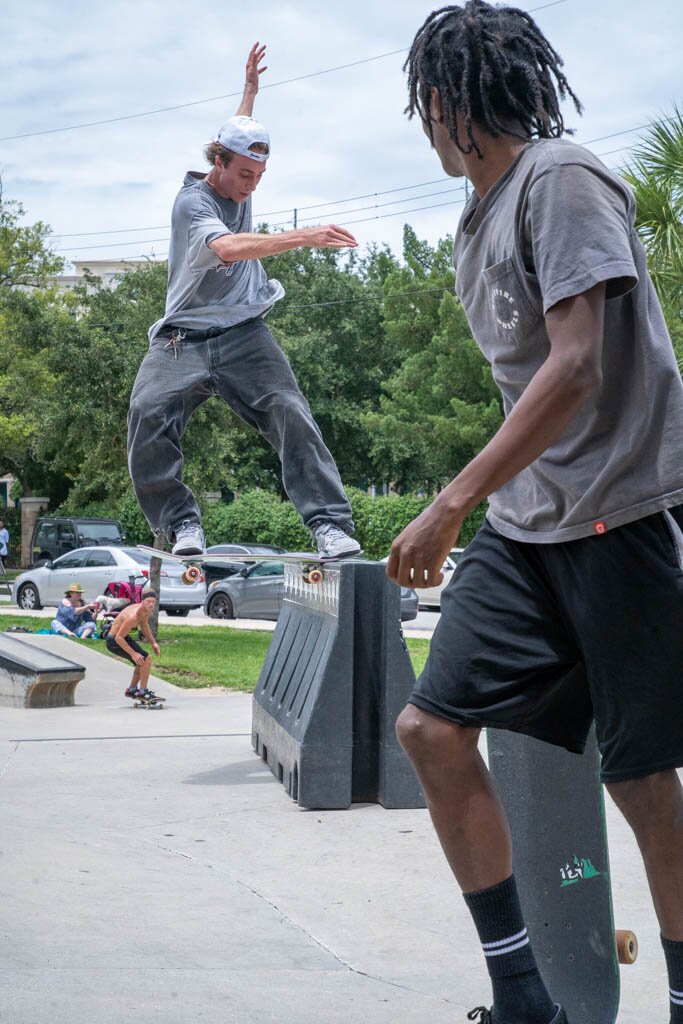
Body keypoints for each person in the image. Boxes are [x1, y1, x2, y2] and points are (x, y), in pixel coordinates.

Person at [387, 4, 683, 1023]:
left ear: (444, 102)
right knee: (429, 728)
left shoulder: (558, 179)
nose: (422, 128)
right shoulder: (481, 214)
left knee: (641, 778)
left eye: (423, 107)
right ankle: (523, 998)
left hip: (619, 518)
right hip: (530, 525)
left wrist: (447, 502)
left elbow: (575, 367)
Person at [128, 42, 361, 562]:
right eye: (243, 176)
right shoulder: (193, 204)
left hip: (245, 335)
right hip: (180, 340)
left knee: (289, 409)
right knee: (146, 412)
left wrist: (251, 90)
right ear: (217, 162)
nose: (250, 187)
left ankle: (329, 527)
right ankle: (182, 522)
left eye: (258, 178)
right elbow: (228, 247)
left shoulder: (241, 169)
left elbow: (240, 125)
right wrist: (304, 237)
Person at [105, 588, 161, 700]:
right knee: (145, 659)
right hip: (114, 641)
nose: (151, 604)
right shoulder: (133, 616)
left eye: (153, 602)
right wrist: (133, 654)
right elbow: (118, 638)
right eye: (148, 601)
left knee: (142, 661)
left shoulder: (146, 610)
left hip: (123, 638)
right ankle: (143, 692)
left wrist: (153, 643)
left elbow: (144, 625)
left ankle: (132, 690)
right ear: (142, 601)